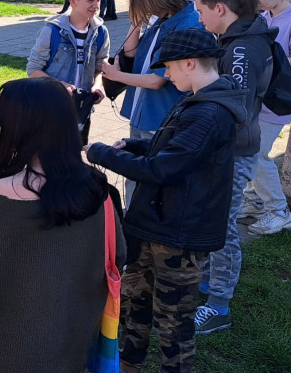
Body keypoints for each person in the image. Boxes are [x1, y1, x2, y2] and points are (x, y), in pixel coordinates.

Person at [86, 28, 246, 373]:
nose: (166, 74)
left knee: (173, 319)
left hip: (179, 235)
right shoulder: (197, 99)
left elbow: (163, 169)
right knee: (133, 302)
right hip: (156, 224)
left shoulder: (211, 113)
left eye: (169, 67)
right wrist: (135, 146)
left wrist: (101, 153)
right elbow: (175, 149)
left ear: (190, 63)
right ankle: (128, 364)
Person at [0, 77, 123, 373]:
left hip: (1, 354)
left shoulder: (0, 196)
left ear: (18, 128)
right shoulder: (99, 190)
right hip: (71, 346)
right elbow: (117, 257)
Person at [193, 0, 275, 335]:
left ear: (220, 9)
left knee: (222, 228)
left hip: (233, 149)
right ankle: (209, 284)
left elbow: (236, 106)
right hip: (229, 146)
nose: (199, 19)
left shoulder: (242, 49)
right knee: (214, 221)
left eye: (200, 11)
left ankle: (219, 307)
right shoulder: (241, 40)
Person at [100, 0, 203, 206]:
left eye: (145, 5)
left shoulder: (185, 25)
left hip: (159, 115)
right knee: (135, 173)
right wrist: (136, 22)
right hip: (142, 112)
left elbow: (158, 80)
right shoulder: (165, 18)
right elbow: (132, 53)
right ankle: (132, 218)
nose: (147, 11)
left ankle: (141, 221)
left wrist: (117, 75)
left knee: (148, 177)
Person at [28, 0, 110, 143]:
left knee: (73, 157)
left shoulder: (100, 32)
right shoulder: (51, 31)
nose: (96, 6)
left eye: (99, 0)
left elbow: (101, 68)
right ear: (73, 1)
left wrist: (97, 85)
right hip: (51, 107)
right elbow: (33, 70)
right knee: (47, 158)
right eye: (90, 0)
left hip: (82, 109)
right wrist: (60, 85)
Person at [243, 0, 291, 234]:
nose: (258, 1)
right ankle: (253, 201)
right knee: (251, 150)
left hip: (278, 100)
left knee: (256, 153)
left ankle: (278, 210)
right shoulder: (264, 17)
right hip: (259, 99)